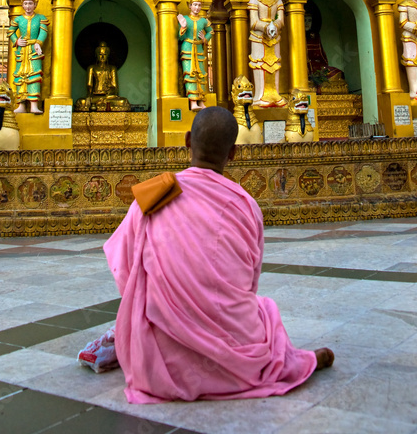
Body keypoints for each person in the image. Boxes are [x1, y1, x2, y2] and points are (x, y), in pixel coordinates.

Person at [90, 107, 333, 403]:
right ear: (233, 153)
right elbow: (249, 280)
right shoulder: (245, 205)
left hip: (159, 358)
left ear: (188, 141)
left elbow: (124, 270)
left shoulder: (153, 194)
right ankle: (291, 361)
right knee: (264, 310)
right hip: (236, 339)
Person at [248, 0, 286, 107]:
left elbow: (281, 20)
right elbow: (253, 22)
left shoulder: (278, 1)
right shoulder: (255, 1)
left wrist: (275, 25)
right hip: (258, 37)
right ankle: (260, 95)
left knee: (275, 64)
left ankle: (274, 95)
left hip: (274, 37)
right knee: (259, 64)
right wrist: (265, 27)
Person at [8, 0, 48, 114]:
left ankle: (34, 105)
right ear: (22, 5)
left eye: (30, 3)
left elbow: (43, 32)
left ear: (35, 4)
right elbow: (10, 32)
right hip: (22, 50)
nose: (28, 6)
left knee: (34, 76)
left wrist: (38, 43)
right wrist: (16, 41)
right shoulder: (19, 19)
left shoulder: (40, 18)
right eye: (25, 3)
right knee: (20, 76)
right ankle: (21, 104)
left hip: (34, 50)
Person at [176, 0, 212, 109]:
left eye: (199, 5)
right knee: (190, 75)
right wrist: (183, 27)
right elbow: (180, 37)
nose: (197, 7)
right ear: (190, 6)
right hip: (187, 48)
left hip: (199, 48)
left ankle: (201, 100)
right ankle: (193, 102)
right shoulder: (185, 19)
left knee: (201, 75)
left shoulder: (203, 21)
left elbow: (211, 31)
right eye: (195, 5)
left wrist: (204, 39)